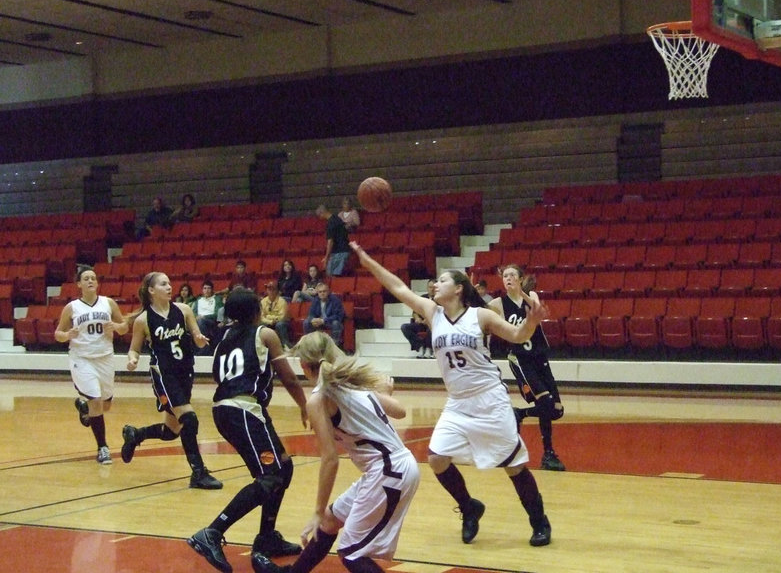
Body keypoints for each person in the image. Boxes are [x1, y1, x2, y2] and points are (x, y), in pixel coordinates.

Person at [350, 241, 553, 547]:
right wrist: (367, 259)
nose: (435, 284)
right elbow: (397, 287)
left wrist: (532, 321)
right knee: (436, 458)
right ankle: (470, 507)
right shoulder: (433, 313)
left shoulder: (480, 316)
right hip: (458, 403)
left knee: (513, 465)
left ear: (458, 289)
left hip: (489, 399)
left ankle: (539, 522)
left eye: (443, 280)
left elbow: (516, 335)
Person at [187, 288, 308, 573]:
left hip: (224, 408)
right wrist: (305, 405)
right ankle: (212, 532)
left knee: (283, 468)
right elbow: (289, 377)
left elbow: (218, 374)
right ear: (257, 311)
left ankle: (267, 537)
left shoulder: (223, 339)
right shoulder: (266, 334)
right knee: (270, 476)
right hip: (244, 410)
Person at [283, 331, 419, 573]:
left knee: (351, 552)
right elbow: (399, 411)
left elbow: (330, 459)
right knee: (329, 520)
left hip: (388, 471)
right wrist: (385, 394)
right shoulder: (350, 385)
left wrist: (315, 510)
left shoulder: (318, 399)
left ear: (303, 365)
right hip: (393, 467)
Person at [120, 271, 223, 490]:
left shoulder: (184, 310)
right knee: (190, 419)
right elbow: (134, 349)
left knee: (171, 432)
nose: (169, 287)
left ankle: (135, 435)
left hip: (185, 373)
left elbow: (196, 334)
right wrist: (132, 360)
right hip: (164, 376)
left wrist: (199, 339)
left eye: (169, 283)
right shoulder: (143, 320)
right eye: (163, 284)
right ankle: (198, 473)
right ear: (151, 291)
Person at [488, 265, 566, 472]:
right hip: (521, 360)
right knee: (545, 402)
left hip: (539, 357)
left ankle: (519, 414)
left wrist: (520, 292)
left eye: (513, 275)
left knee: (556, 410)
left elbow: (537, 311)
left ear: (521, 279)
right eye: (505, 276)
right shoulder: (497, 304)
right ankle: (549, 453)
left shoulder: (530, 295)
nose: (508, 279)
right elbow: (480, 313)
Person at [55, 265, 129, 465]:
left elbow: (124, 327)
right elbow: (58, 334)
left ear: (97, 283)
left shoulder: (108, 303)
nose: (90, 281)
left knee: (105, 405)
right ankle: (103, 448)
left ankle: (85, 410)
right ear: (79, 284)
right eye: (86, 278)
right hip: (82, 359)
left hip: (105, 358)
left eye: (93, 278)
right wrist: (68, 334)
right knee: (96, 401)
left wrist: (116, 327)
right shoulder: (71, 308)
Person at [400, 279, 435, 359]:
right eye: (430, 287)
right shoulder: (423, 298)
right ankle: (420, 346)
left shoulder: (439, 299)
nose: (432, 289)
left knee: (431, 328)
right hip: (421, 323)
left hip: (432, 324)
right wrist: (417, 318)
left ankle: (429, 348)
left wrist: (429, 320)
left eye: (433, 287)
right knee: (404, 327)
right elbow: (415, 312)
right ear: (427, 288)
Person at [302, 283, 345, 348]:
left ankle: (334, 346)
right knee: (306, 322)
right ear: (318, 293)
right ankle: (310, 345)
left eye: (324, 291)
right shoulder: (315, 300)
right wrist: (313, 319)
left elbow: (338, 316)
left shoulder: (335, 300)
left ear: (328, 292)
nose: (322, 293)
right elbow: (311, 314)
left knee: (335, 323)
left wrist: (323, 320)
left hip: (330, 322)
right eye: (320, 292)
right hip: (319, 322)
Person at [315, 204, 350, 277]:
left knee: (332, 275)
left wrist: (326, 258)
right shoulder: (338, 219)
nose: (320, 218)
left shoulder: (330, 223)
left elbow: (330, 242)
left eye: (319, 215)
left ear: (322, 213)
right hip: (344, 249)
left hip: (339, 252)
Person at [193, 280, 224, 354]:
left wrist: (204, 317)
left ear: (212, 290)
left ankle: (204, 348)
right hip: (198, 320)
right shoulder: (199, 300)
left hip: (211, 321)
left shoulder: (217, 299)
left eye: (209, 288)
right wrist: (196, 316)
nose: (207, 290)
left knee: (201, 322)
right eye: (205, 288)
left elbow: (217, 313)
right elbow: (194, 312)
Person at [261, 281, 292, 349]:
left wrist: (269, 317)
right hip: (269, 322)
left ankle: (286, 345)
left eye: (273, 289)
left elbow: (282, 317)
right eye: (269, 289)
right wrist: (270, 321)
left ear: (277, 291)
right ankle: (262, 345)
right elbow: (261, 317)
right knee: (261, 324)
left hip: (283, 322)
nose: (271, 291)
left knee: (280, 324)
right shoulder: (263, 301)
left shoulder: (282, 301)